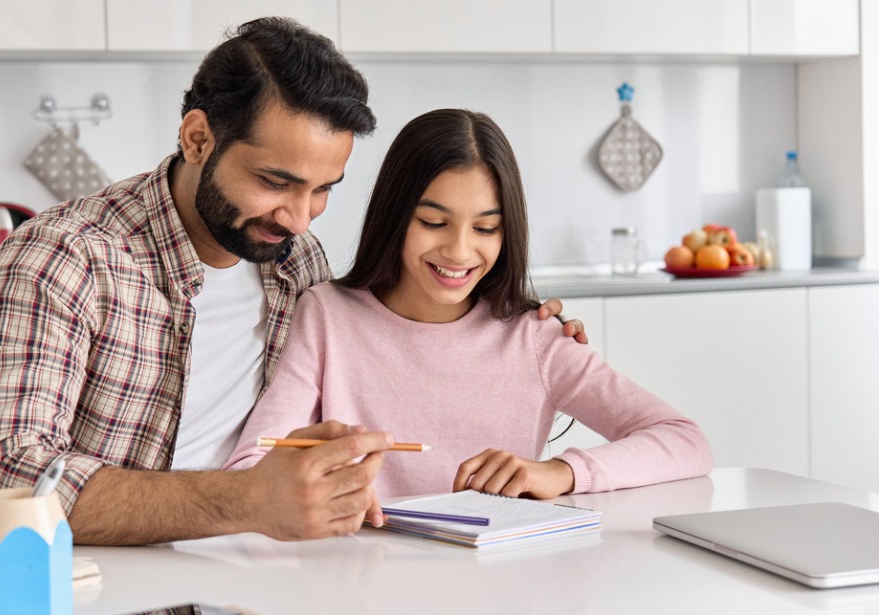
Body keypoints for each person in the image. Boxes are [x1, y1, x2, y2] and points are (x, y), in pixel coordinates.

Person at [0, 18, 583, 545]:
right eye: (276, 182)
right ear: (198, 137)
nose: (298, 216)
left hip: (263, 579)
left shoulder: (295, 262)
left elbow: (385, 347)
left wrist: (510, 321)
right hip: (109, 599)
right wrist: (245, 500)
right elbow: (6, 485)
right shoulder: (63, 259)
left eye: (322, 190)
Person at [226, 109, 712, 500]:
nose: (459, 252)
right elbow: (252, 465)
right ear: (396, 217)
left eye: (485, 228)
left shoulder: (536, 336)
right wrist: (320, 487)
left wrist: (561, 472)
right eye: (434, 223)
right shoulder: (327, 315)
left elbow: (684, 441)